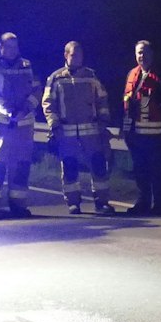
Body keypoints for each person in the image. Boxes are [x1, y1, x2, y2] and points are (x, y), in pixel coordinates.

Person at [42, 41, 116, 215]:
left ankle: (102, 202)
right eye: (74, 55)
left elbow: (102, 99)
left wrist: (104, 121)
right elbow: (48, 104)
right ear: (66, 55)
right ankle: (73, 203)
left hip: (91, 132)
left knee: (99, 166)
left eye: (80, 55)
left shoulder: (91, 76)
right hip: (66, 133)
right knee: (70, 168)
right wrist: (54, 125)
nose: (78, 58)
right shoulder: (56, 78)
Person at [0, 32, 39, 218]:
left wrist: (26, 108)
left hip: (24, 125)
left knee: (21, 165)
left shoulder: (27, 66)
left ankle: (18, 204)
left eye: (15, 46)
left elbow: (37, 90)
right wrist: (9, 111)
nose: (13, 50)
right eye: (8, 46)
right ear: (0, 47)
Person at [121, 39, 161, 216]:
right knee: (140, 171)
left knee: (158, 171)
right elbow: (127, 105)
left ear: (152, 54)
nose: (141, 56)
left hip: (154, 134)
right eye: (139, 53)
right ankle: (143, 203)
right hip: (136, 134)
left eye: (144, 52)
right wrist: (126, 130)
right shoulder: (132, 74)